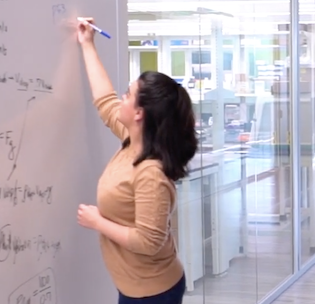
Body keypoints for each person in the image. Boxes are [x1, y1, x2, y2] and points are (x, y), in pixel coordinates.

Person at [73, 17, 199, 304]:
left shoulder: (150, 173)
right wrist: (87, 45)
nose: (121, 97)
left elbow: (148, 242)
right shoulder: (133, 141)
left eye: (128, 94)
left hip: (152, 293)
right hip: (135, 287)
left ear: (140, 113)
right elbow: (105, 101)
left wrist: (97, 222)